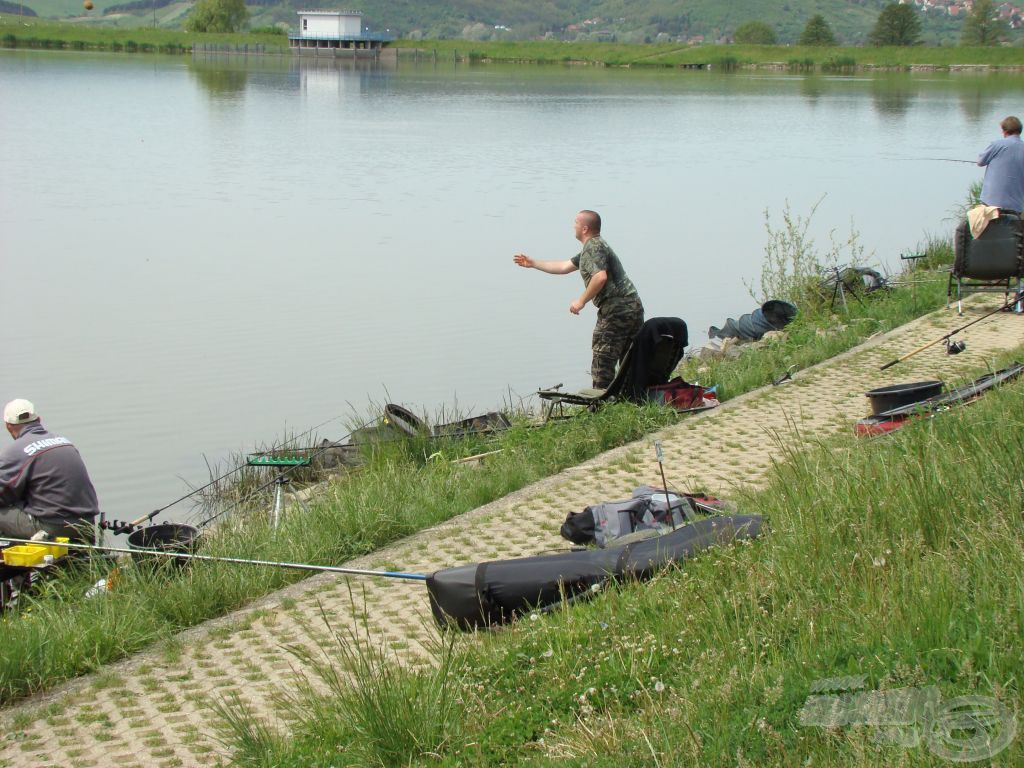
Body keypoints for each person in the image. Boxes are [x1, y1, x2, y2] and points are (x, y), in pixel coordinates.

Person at [514, 210, 644, 389]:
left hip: (617, 309)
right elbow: (563, 266)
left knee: (603, 359)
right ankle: (633, 396)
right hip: (633, 306)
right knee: (629, 357)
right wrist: (533, 263)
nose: (572, 226)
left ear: (584, 228)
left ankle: (600, 405)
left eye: (575, 223)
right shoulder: (594, 247)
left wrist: (581, 301)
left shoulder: (593, 247)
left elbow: (600, 277)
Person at [0, 399, 100, 542]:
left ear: (8, 426)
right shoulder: (63, 441)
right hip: (87, 525)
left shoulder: (16, 451)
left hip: (53, 527)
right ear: (38, 419)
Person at [977, 116, 1024, 214]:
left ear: (1005, 132)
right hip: (1015, 206)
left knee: (962, 229)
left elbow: (980, 162)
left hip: (990, 203)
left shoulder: (997, 145)